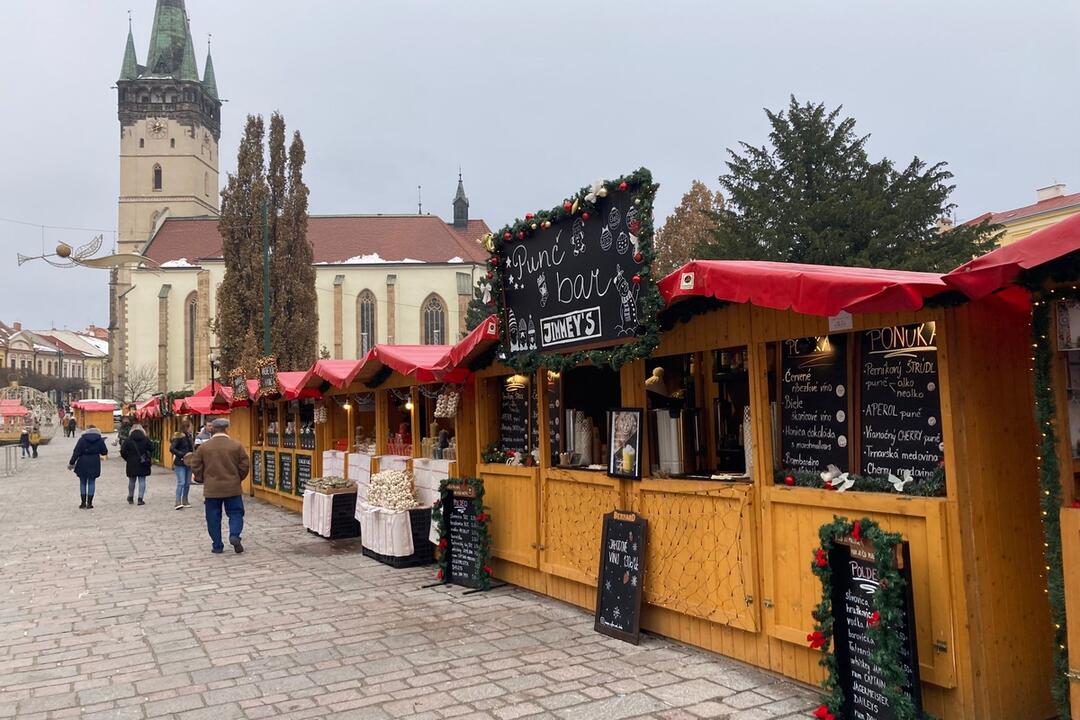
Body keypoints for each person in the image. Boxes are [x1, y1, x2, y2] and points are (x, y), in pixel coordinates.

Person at [185, 418, 249, 554]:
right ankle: (234, 535)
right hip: (232, 487)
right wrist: (238, 478)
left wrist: (203, 478)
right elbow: (244, 465)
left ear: (213, 429)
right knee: (236, 513)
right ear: (227, 428)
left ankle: (217, 545)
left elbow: (195, 465)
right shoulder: (236, 445)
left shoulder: (204, 447)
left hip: (212, 488)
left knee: (213, 517)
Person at [69, 424, 108, 509]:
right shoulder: (99, 439)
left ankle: (83, 503)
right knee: (91, 482)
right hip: (94, 462)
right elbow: (104, 452)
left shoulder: (82, 439)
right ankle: (89, 503)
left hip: (82, 461)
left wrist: (71, 462)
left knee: (82, 482)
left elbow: (76, 452)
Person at [120, 423, 153, 505]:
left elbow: (122, 451)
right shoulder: (145, 439)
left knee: (131, 480)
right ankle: (140, 498)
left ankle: (130, 497)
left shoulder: (128, 440)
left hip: (131, 462)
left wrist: (127, 458)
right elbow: (152, 448)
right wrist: (147, 455)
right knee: (142, 480)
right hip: (143, 462)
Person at [170, 422, 195, 510]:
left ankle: (185, 500)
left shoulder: (189, 436)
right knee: (181, 482)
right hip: (180, 462)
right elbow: (172, 448)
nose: (192, 428)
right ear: (187, 427)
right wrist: (182, 454)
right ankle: (177, 502)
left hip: (189, 462)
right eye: (191, 426)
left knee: (188, 482)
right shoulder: (179, 436)